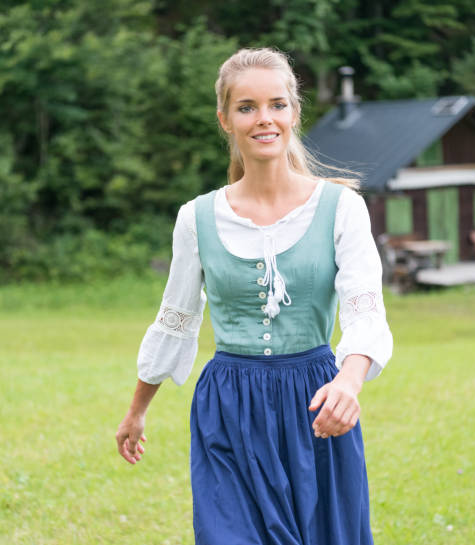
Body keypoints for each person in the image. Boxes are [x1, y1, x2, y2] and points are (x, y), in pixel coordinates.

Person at [115, 47, 393, 545]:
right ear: (225, 118)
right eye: (247, 107)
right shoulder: (196, 218)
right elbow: (175, 319)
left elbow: (365, 311)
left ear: (294, 112)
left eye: (277, 105)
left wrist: (349, 383)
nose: (264, 119)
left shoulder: (342, 208)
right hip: (228, 407)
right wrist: (137, 411)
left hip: (315, 403)